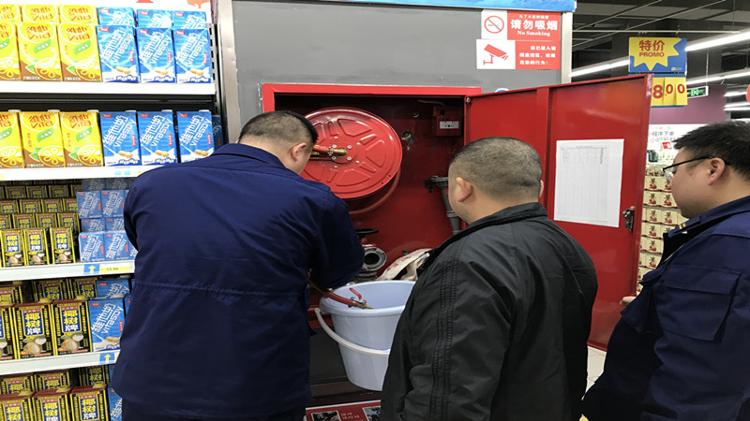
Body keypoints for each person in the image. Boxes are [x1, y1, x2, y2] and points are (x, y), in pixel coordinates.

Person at [112, 111, 364, 420]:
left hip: (152, 382)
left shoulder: (152, 183)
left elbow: (145, 243)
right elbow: (338, 271)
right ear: (299, 150)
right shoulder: (312, 199)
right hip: (253, 386)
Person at [380, 137, 598, 421]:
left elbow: (448, 399)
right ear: (540, 188)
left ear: (461, 189)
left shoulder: (466, 264)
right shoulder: (566, 244)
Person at [583, 121, 750, 421]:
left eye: (675, 171)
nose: (670, 183)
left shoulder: (724, 247)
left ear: (713, 169)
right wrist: (653, 310)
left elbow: (696, 382)